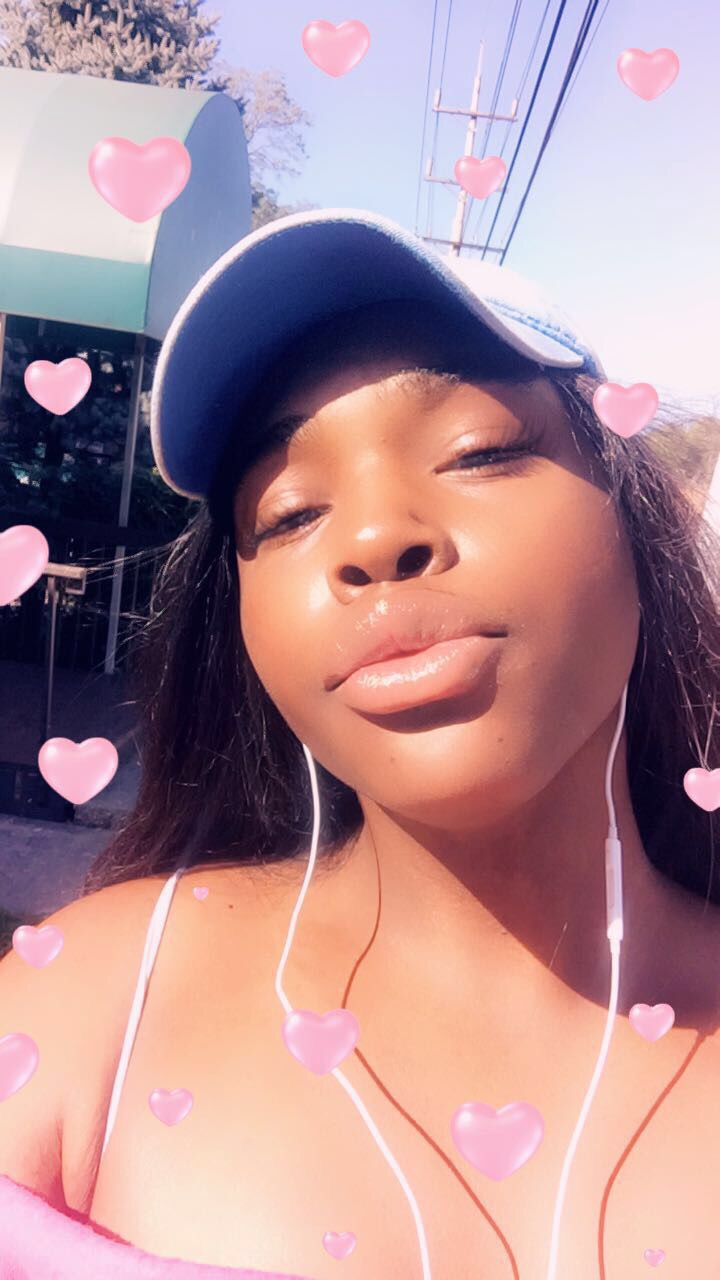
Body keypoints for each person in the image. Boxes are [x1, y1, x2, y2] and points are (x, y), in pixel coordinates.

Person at [1, 209, 719, 1280]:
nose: (375, 538)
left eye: (479, 449)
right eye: (290, 513)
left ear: (637, 521)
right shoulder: (90, 1004)